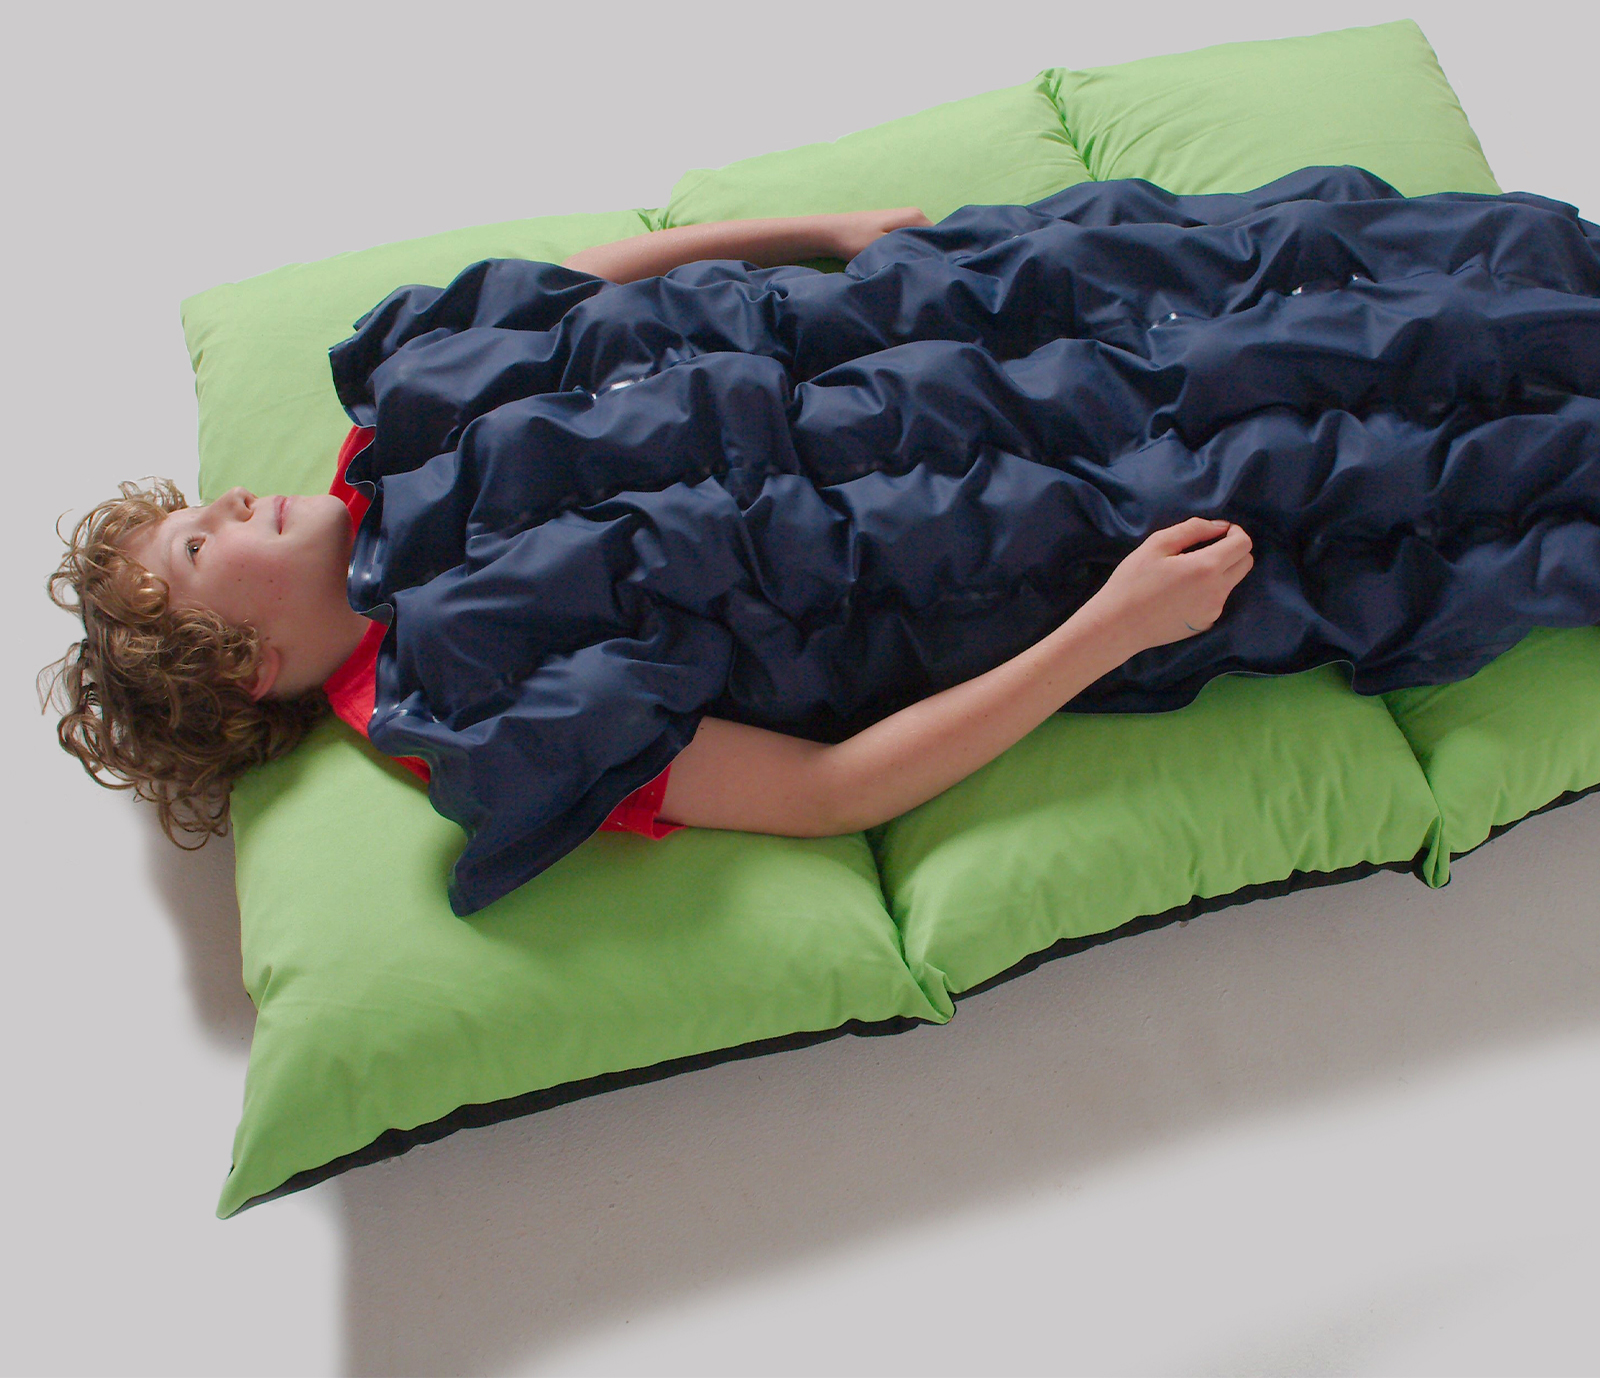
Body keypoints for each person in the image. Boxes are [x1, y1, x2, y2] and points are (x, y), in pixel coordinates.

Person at [46, 165, 1600, 913]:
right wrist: (1110, 630)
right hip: (1016, 540)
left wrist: (825, 230)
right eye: (197, 548)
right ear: (244, 664)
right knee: (1366, 466)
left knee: (1313, 271)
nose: (224, 504)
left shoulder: (401, 405)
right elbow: (822, 790)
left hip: (938, 331)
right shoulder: (476, 719)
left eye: (194, 509)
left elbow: (595, 280)